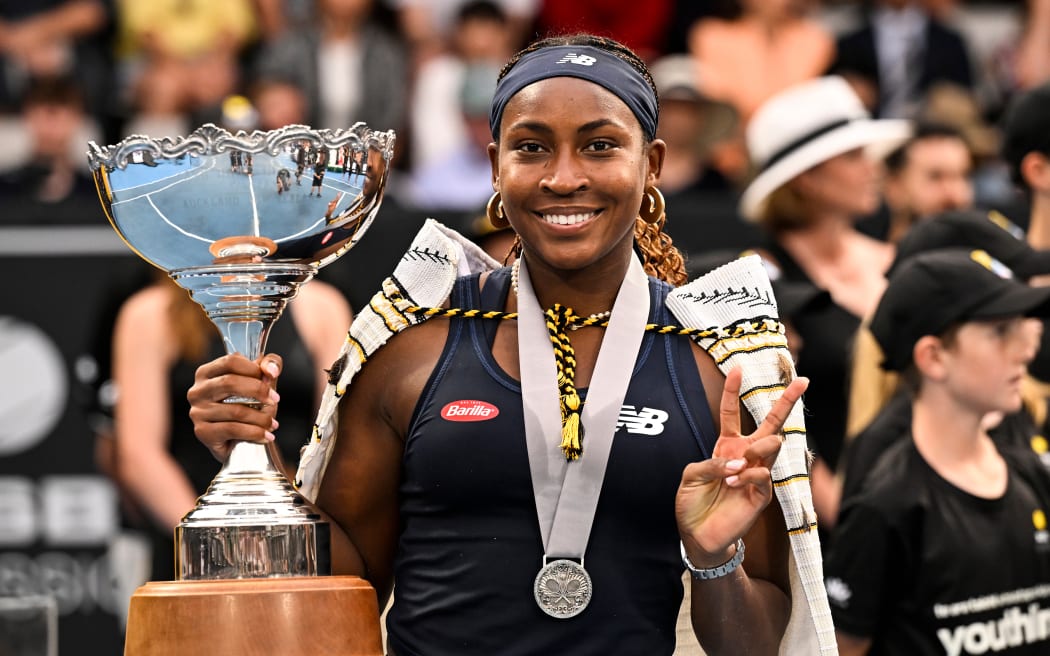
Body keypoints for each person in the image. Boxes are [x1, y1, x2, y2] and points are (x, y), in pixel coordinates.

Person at [186, 34, 823, 654]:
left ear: (651, 163)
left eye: (600, 146)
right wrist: (256, 462)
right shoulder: (412, 352)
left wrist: (715, 561)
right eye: (532, 148)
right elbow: (342, 591)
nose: (564, 178)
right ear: (495, 166)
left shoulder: (715, 372)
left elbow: (756, 645)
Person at [825, 248, 1050, 654]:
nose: (1025, 350)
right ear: (933, 357)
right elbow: (845, 647)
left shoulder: (1030, 476)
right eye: (999, 330)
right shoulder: (887, 506)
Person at [739, 74, 911, 530]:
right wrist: (845, 518)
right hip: (832, 521)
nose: (872, 167)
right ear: (807, 178)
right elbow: (770, 411)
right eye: (853, 156)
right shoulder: (763, 276)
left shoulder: (896, 259)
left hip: (918, 503)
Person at [111, 273, 351, 582]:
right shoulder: (149, 314)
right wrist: (214, 539)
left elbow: (334, 440)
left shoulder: (322, 308)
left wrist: (292, 524)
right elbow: (139, 455)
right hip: (191, 531)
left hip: (297, 527)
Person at [857, 121, 974, 243]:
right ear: (894, 185)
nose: (953, 192)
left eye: (963, 175)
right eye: (935, 177)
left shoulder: (988, 256)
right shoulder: (863, 258)